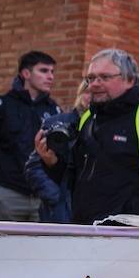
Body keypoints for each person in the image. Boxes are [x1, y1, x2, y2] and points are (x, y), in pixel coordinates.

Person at [35, 48, 139, 225]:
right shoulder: (89, 118)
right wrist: (53, 163)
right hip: (89, 230)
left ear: (130, 80)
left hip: (137, 233)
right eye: (91, 78)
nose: (94, 84)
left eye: (105, 77)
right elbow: (77, 178)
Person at [0, 50, 61, 222]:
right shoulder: (1, 106)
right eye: (44, 71)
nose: (50, 77)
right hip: (6, 195)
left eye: (52, 72)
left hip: (42, 197)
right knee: (4, 241)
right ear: (26, 73)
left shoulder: (54, 110)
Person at [25, 80, 90, 224]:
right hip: (60, 212)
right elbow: (34, 167)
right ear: (80, 95)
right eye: (87, 92)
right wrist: (57, 197)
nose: (90, 97)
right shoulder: (57, 123)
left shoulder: (105, 127)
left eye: (95, 92)